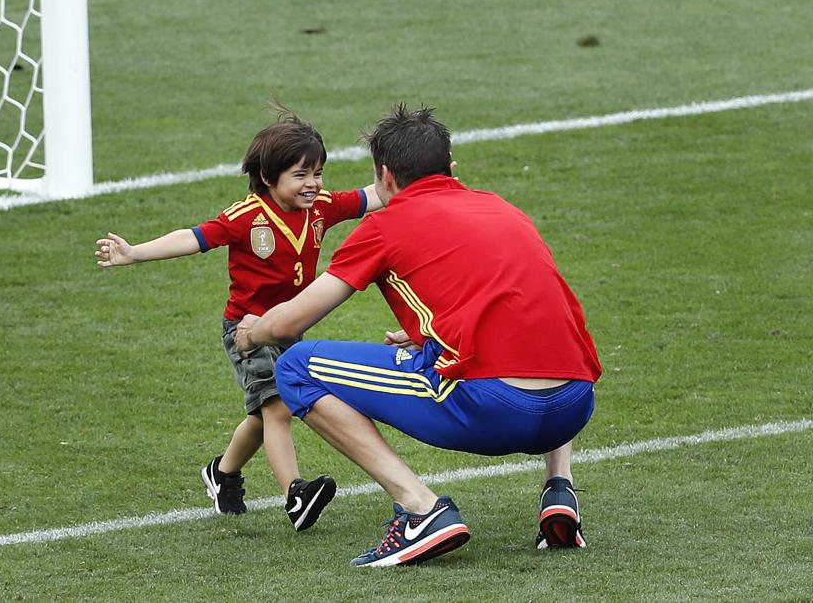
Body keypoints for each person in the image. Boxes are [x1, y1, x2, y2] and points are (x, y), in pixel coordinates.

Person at [234, 104, 602, 567]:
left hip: (495, 410)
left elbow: (288, 323)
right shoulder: (503, 208)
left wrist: (251, 335)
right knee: (545, 333)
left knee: (295, 366)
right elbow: (514, 305)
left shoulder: (385, 225)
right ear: (451, 167)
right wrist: (431, 336)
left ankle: (420, 509)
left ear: (385, 177)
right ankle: (559, 488)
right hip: (574, 406)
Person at [95, 109, 381, 531]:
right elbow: (192, 238)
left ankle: (223, 473)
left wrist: (426, 177)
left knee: (262, 414)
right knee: (279, 405)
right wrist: (135, 252)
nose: (314, 184)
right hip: (246, 330)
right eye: (301, 175)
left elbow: (374, 195)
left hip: (289, 327)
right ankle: (295, 494)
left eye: (318, 173)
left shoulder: (321, 208)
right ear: (269, 177)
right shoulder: (246, 216)